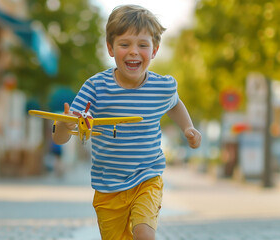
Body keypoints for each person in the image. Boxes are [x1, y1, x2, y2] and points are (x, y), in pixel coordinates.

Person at [52, 4, 201, 240]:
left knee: (143, 234)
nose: (133, 51)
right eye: (125, 44)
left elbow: (174, 104)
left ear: (154, 50)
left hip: (147, 177)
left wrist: (188, 127)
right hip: (108, 187)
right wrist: (64, 126)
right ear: (111, 48)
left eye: (142, 45)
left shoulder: (161, 86)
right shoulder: (96, 87)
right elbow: (60, 138)